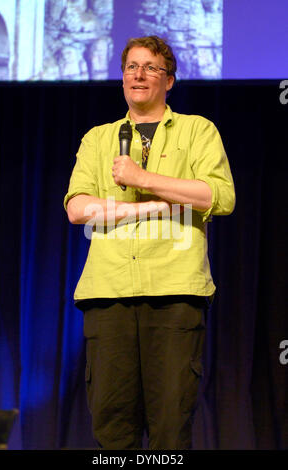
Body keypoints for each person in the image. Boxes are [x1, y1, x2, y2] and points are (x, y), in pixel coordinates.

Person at [64, 35, 235, 450]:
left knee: (170, 429)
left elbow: (219, 197)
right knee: (111, 428)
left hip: (175, 293)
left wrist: (142, 181)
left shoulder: (198, 130)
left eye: (150, 67)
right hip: (108, 293)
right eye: (131, 67)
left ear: (169, 80)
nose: (138, 75)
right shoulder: (98, 138)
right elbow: (78, 209)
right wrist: (153, 207)